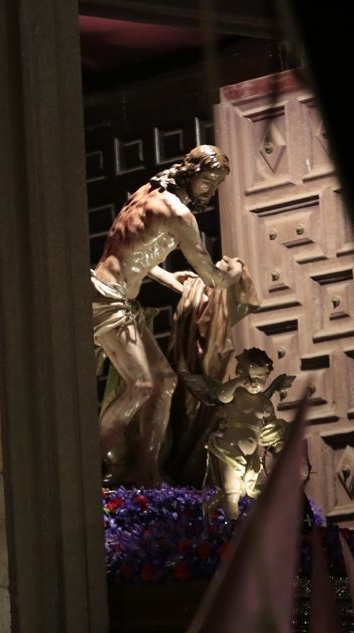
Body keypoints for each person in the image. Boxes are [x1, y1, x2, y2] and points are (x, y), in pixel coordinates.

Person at [92, 145, 243, 487]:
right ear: (191, 173)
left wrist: (165, 276)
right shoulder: (179, 215)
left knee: (164, 381)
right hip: (108, 301)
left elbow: (128, 250)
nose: (210, 192)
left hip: (113, 298)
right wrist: (233, 273)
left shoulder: (151, 189)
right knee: (143, 384)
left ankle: (144, 471)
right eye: (208, 182)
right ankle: (87, 465)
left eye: (216, 185)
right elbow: (214, 279)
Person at [182, 347, 294, 518]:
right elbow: (222, 396)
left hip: (254, 456)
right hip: (230, 451)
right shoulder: (236, 395)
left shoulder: (265, 403)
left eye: (260, 377)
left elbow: (271, 427)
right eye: (249, 377)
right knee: (232, 492)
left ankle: (207, 510)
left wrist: (278, 440)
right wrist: (239, 382)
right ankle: (231, 529)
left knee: (242, 491)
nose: (254, 382)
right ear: (240, 374)